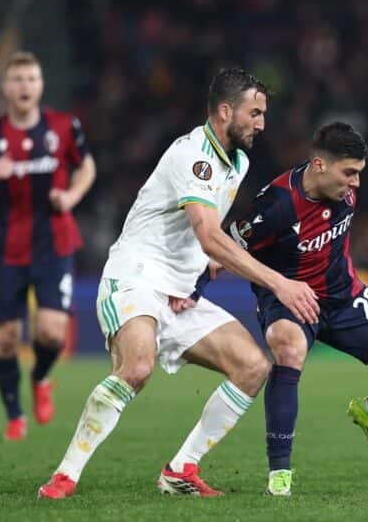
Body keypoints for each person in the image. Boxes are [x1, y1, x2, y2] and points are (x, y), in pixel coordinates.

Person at [37, 68, 319, 499]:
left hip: (178, 293)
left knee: (253, 366)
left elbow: (204, 240)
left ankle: (181, 470)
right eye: (255, 113)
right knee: (137, 367)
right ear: (226, 111)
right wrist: (279, 283)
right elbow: (209, 235)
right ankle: (65, 475)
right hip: (135, 278)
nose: (262, 123)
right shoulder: (194, 155)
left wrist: (199, 271)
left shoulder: (237, 162)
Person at [227, 122, 368, 496]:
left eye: (359, 173)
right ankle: (280, 473)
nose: (356, 184)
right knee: (289, 346)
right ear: (319, 165)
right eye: (349, 173)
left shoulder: (343, 191)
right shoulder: (276, 205)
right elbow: (228, 250)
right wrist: (195, 287)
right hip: (290, 299)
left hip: (346, 296)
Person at [0, 51, 96, 441]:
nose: (24, 86)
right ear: (4, 88)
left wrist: (70, 197)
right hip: (9, 247)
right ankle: (15, 415)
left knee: (52, 333)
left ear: (41, 85)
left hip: (55, 242)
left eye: (31, 79)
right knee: (4, 338)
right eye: (17, 79)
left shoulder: (64, 127)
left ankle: (40, 376)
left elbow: (87, 166)